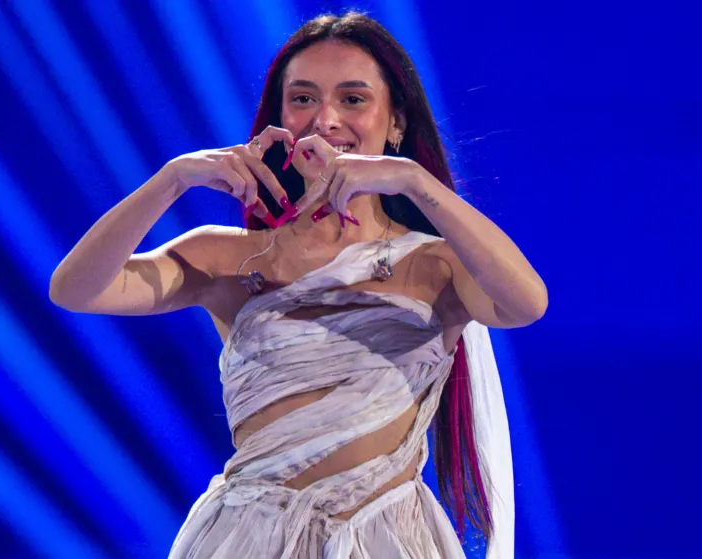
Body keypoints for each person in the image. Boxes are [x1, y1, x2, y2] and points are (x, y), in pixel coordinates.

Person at [49, 10, 545, 559]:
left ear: (396, 122)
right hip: (247, 540)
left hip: (383, 540)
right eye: (304, 99)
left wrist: (414, 181)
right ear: (280, 117)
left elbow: (525, 303)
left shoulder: (435, 265)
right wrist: (173, 178)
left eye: (353, 99)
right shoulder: (226, 255)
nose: (325, 119)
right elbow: (76, 289)